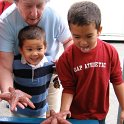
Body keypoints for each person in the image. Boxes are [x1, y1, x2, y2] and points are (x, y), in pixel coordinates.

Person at [53, 1, 124, 124]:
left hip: (100, 114)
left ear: (99, 30)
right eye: (77, 37)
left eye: (89, 36)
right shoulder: (66, 58)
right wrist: (63, 112)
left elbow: (117, 81)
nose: (83, 42)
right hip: (74, 114)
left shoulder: (110, 52)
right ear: (70, 32)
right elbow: (68, 88)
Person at [0, 0, 72, 113]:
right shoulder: (6, 21)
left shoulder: (54, 16)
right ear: (16, 2)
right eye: (28, 6)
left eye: (39, 6)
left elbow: (68, 41)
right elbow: (5, 65)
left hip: (50, 74)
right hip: (20, 76)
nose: (34, 13)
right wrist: (10, 92)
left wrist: (64, 62)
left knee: (53, 114)